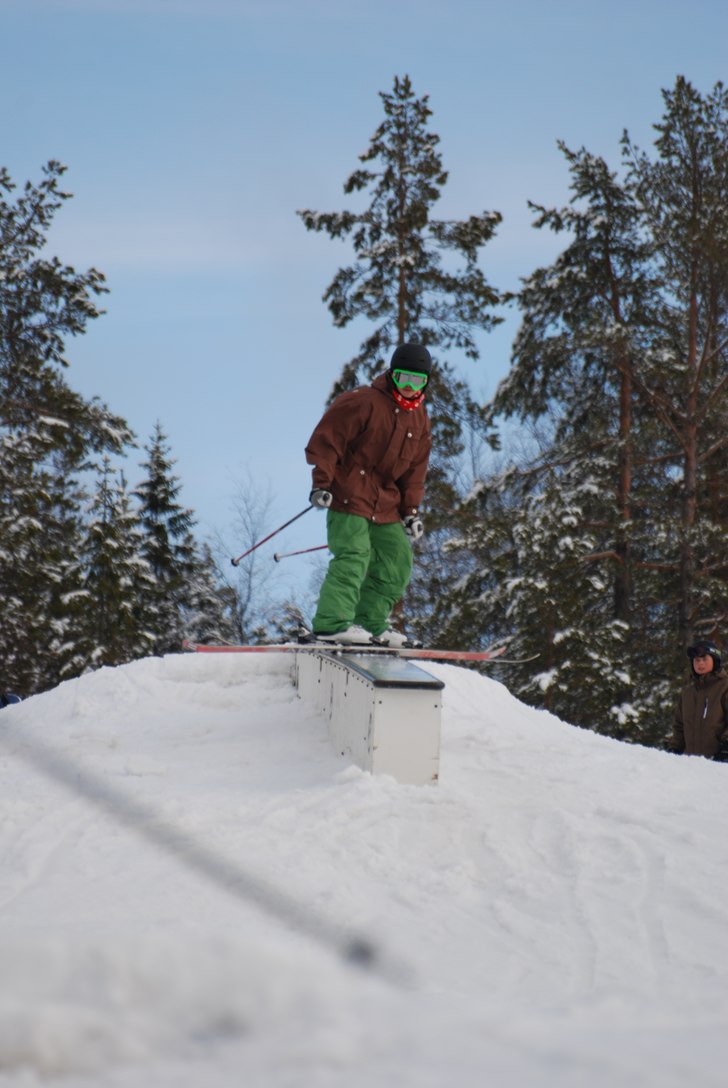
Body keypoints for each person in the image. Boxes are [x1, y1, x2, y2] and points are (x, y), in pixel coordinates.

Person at [304, 343, 433, 647]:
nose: (410, 388)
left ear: (426, 382)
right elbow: (326, 440)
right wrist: (321, 483)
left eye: (418, 381)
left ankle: (369, 621)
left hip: (386, 504)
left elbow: (415, 471)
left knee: (397, 560)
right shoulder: (363, 402)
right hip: (349, 494)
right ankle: (332, 623)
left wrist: (410, 511)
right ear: (391, 374)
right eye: (403, 379)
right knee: (354, 555)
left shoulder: (419, 419)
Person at [670, 639, 728, 760]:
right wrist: (675, 748)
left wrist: (725, 748)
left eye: (704, 659)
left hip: (719, 762)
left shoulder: (724, 688)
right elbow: (679, 726)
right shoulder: (688, 693)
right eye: (697, 660)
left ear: (715, 661)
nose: (700, 664)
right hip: (690, 766)